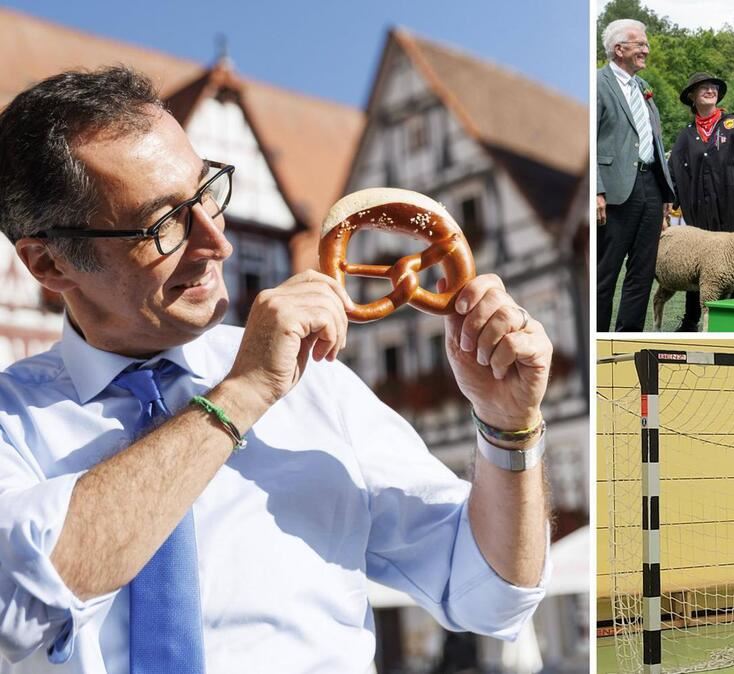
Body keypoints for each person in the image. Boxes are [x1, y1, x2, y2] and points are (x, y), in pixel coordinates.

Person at [0, 67, 552, 671]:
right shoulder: (12, 420)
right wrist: (242, 394)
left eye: (207, 192)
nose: (217, 243)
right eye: (163, 225)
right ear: (48, 264)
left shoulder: (320, 383)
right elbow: (17, 605)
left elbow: (492, 599)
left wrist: (508, 427)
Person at [596, 18, 676, 332]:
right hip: (614, 190)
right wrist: (596, 190)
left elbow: (654, 140)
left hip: (650, 185)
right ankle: (597, 340)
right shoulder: (598, 84)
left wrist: (664, 190)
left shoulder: (643, 88)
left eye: (646, 44)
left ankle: (626, 338)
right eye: (640, 44)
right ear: (619, 49)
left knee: (642, 273)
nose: (646, 49)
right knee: (605, 273)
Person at [667, 72, 734, 332]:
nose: (710, 91)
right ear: (692, 97)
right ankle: (690, 321)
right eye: (704, 88)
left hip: (732, 208)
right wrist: (666, 207)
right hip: (699, 212)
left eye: (714, 87)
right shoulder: (685, 136)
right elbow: (673, 174)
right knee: (697, 265)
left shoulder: (733, 125)